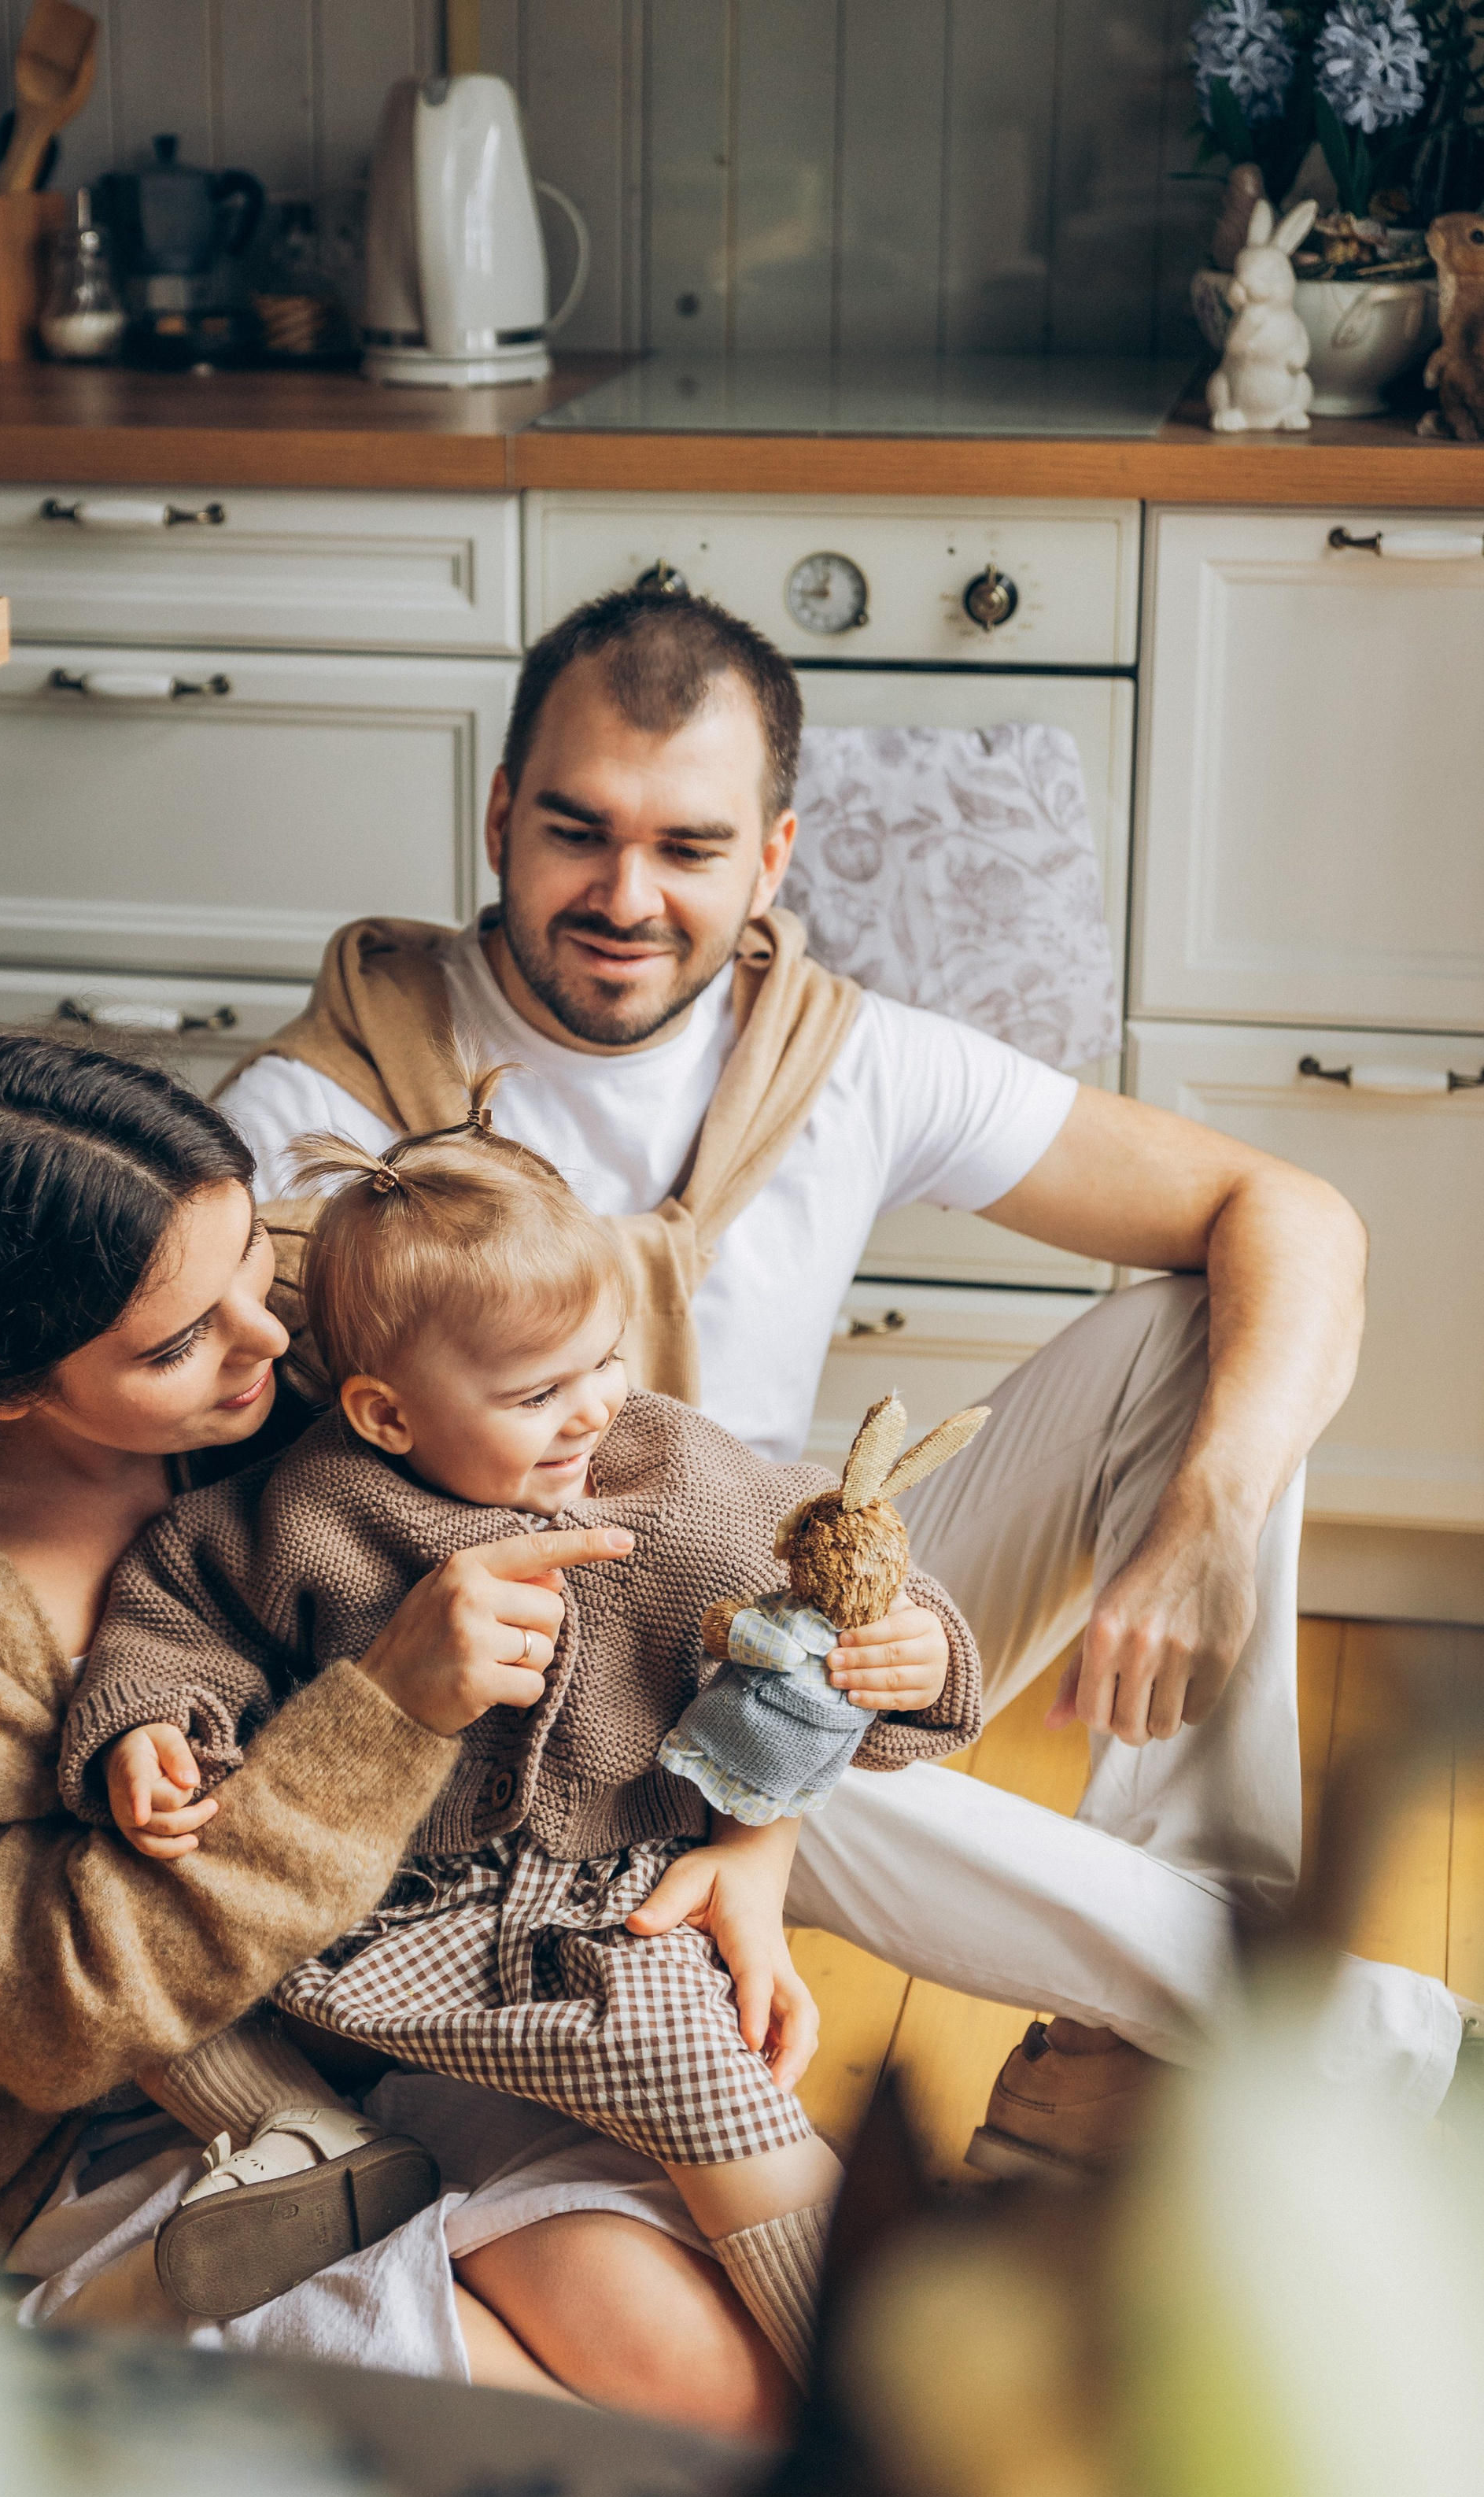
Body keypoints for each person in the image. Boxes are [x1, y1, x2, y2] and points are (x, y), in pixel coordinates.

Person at [216, 585, 1467, 2155]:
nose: (624, 895)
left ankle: (1123, 2063)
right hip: (523, 1735)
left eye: (688, 847)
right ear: (497, 817)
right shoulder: (324, 1120)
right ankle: (1355, 2043)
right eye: (576, 832)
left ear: (772, 859)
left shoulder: (833, 1054)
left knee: (1196, 1333)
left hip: (770, 1585)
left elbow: (1288, 1214)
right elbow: (195, 1513)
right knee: (755, 1721)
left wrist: (1206, 1519)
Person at [0, 1032, 794, 2433]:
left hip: (463, 2004)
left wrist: (758, 1848)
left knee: (719, 2382)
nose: (274, 1342)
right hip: (154, 2116)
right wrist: (385, 1714)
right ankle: (82, 2338)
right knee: (620, 2451)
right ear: (3, 1384)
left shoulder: (324, 1322)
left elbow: (684, 1534)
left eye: (254, 1270)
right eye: (180, 1344)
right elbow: (32, 2009)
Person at [57, 1091, 983, 2382]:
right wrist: (147, 1728)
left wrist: (918, 1649)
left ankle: (889, 2391)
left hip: (605, 1916)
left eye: (606, 1360)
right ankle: (305, 2141)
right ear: (387, 1415)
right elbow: (172, 1618)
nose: (593, 1408)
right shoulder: (306, 1511)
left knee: (715, 2095)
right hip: (373, 1917)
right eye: (538, 1391)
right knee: (131, 1942)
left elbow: (837, 1560)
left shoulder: (673, 1473)